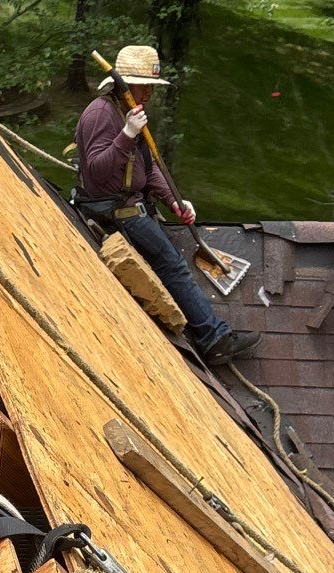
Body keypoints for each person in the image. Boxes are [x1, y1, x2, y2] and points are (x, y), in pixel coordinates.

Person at [74, 44, 259, 365]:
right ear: (125, 84)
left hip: (130, 202)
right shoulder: (101, 115)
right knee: (172, 263)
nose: (148, 94)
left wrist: (174, 200)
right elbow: (96, 172)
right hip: (111, 208)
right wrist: (126, 135)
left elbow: (147, 164)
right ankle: (213, 338)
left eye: (150, 87)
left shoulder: (127, 111)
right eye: (143, 86)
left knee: (169, 258)